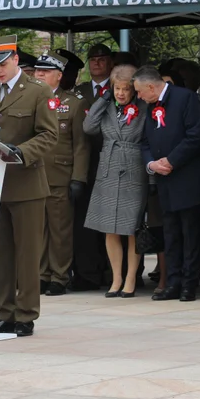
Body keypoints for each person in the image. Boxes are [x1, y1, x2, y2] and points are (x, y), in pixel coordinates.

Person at [0, 36, 58, 336]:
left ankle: (26, 313)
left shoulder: (37, 91)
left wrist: (21, 153)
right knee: (1, 254)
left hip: (25, 183)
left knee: (27, 253)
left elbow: (49, 135)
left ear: (15, 60)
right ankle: (5, 311)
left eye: (2, 64)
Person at [135, 64, 200, 302]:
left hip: (186, 178)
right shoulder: (151, 105)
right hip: (164, 179)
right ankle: (172, 282)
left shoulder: (185, 99)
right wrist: (152, 164)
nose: (138, 96)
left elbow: (196, 135)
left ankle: (189, 283)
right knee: (171, 235)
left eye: (139, 91)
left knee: (190, 234)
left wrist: (171, 160)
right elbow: (145, 141)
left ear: (150, 86)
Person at [84, 64, 148, 298]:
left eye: (125, 89)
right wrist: (103, 99)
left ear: (134, 89)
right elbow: (89, 127)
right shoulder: (108, 107)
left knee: (132, 228)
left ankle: (131, 278)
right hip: (108, 169)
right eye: (117, 88)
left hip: (133, 168)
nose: (121, 93)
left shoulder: (143, 107)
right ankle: (116, 277)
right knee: (109, 228)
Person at [33, 54, 89, 297]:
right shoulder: (30, 100)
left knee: (60, 231)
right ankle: (41, 274)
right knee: (37, 229)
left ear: (59, 75)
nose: (39, 75)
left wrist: (78, 177)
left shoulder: (73, 103)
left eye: (45, 71)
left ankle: (59, 276)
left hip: (60, 174)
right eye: (37, 71)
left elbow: (81, 145)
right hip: (33, 174)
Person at [71, 43, 115, 290]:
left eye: (102, 59)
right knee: (85, 223)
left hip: (112, 161)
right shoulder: (81, 90)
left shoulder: (119, 87)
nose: (97, 63)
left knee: (112, 222)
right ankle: (88, 273)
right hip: (86, 163)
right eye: (93, 59)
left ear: (110, 62)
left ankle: (112, 274)